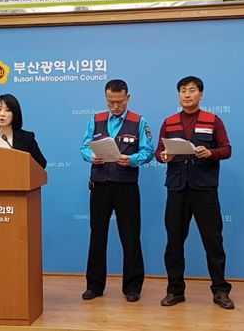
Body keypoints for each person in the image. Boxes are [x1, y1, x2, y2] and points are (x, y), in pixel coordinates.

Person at [156, 76, 234, 310]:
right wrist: (164, 156)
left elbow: (226, 149)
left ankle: (220, 291)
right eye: (183, 91)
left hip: (204, 189)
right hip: (177, 188)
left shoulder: (213, 120)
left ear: (201, 95)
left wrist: (210, 153)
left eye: (191, 90)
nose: (187, 95)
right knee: (173, 242)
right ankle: (175, 290)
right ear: (178, 95)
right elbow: (159, 152)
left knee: (213, 241)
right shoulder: (169, 122)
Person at [80, 79, 154, 302]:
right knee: (97, 236)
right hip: (100, 185)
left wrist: (131, 159)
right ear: (106, 98)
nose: (115, 106)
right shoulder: (95, 120)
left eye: (119, 102)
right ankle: (94, 286)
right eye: (111, 101)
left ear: (127, 98)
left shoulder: (139, 121)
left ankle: (132, 287)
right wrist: (91, 156)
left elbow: (148, 151)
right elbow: (84, 146)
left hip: (126, 187)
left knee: (130, 237)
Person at [0, 94, 47, 169]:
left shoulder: (27, 138)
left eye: (8, 110)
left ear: (15, 114)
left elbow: (41, 163)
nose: (2, 114)